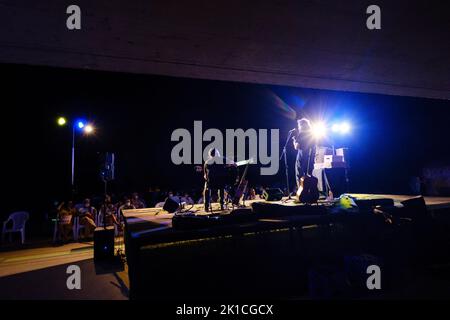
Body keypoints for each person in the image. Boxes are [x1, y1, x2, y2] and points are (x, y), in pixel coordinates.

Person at [292, 118, 316, 189]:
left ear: (301, 125)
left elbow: (296, 147)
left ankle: (301, 193)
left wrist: (294, 140)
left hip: (302, 156)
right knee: (309, 175)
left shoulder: (301, 134)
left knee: (299, 174)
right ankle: (310, 192)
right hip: (310, 157)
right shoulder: (312, 134)